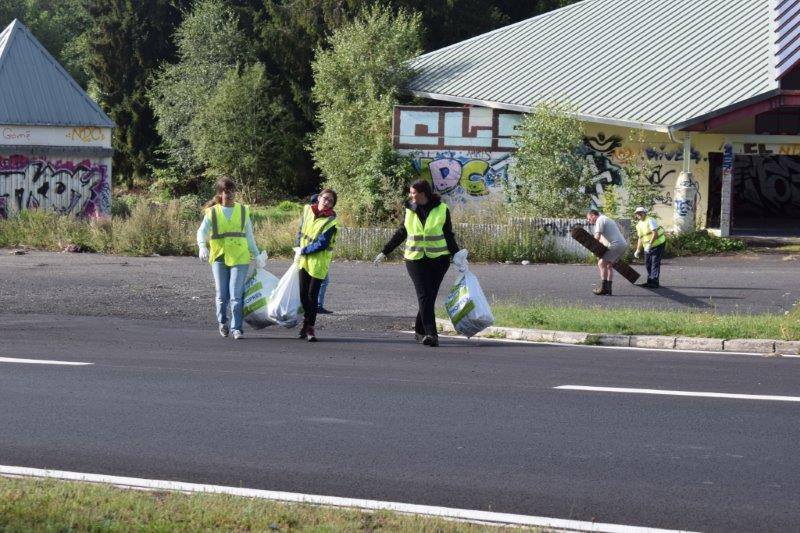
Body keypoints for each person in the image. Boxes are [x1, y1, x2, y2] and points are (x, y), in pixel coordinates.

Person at [374, 180, 466, 347]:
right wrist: (384, 251)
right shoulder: (410, 209)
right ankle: (431, 334)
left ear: (424, 193)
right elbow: (402, 232)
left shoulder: (442, 209)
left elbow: (448, 235)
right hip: (415, 259)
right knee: (424, 295)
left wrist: (457, 255)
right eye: (410, 192)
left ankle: (419, 329)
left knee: (429, 297)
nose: (411, 195)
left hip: (439, 259)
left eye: (413, 192)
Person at [197, 177, 263, 340]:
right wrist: (202, 246)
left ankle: (237, 328)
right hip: (219, 256)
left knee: (236, 294)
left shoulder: (242, 211)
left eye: (233, 190)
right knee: (222, 294)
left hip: (240, 256)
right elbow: (201, 231)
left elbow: (249, 235)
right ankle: (222, 322)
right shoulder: (213, 212)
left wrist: (257, 255)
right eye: (227, 191)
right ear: (220, 193)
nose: (230, 194)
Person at [294, 188, 339, 342]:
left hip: (318, 262)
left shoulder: (331, 221)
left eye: (330, 201)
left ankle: (310, 328)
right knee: (302, 294)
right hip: (304, 260)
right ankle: (307, 322)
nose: (327, 202)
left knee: (312, 297)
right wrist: (297, 247)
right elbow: (300, 230)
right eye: (325, 198)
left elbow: (322, 243)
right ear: (319, 198)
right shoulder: (307, 210)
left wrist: (303, 250)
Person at [586, 209, 628, 296]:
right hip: (622, 245)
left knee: (601, 263)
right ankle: (609, 289)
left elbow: (597, 236)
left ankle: (604, 288)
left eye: (589, 219)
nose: (589, 221)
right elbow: (602, 240)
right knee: (609, 265)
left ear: (593, 215)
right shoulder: (606, 219)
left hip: (616, 245)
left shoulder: (600, 220)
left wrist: (592, 249)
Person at [308, 193, 332, 314]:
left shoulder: (310, 217)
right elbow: (322, 242)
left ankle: (314, 304)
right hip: (318, 256)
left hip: (311, 253)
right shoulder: (323, 218)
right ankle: (317, 305)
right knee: (322, 281)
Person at [633, 206, 666, 288]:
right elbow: (640, 238)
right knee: (648, 263)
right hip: (647, 246)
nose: (639, 214)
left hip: (658, 244)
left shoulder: (650, 220)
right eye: (637, 213)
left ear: (644, 213)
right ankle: (650, 281)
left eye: (641, 212)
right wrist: (638, 250)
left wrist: (650, 245)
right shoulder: (638, 225)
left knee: (655, 263)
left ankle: (654, 282)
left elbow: (655, 234)